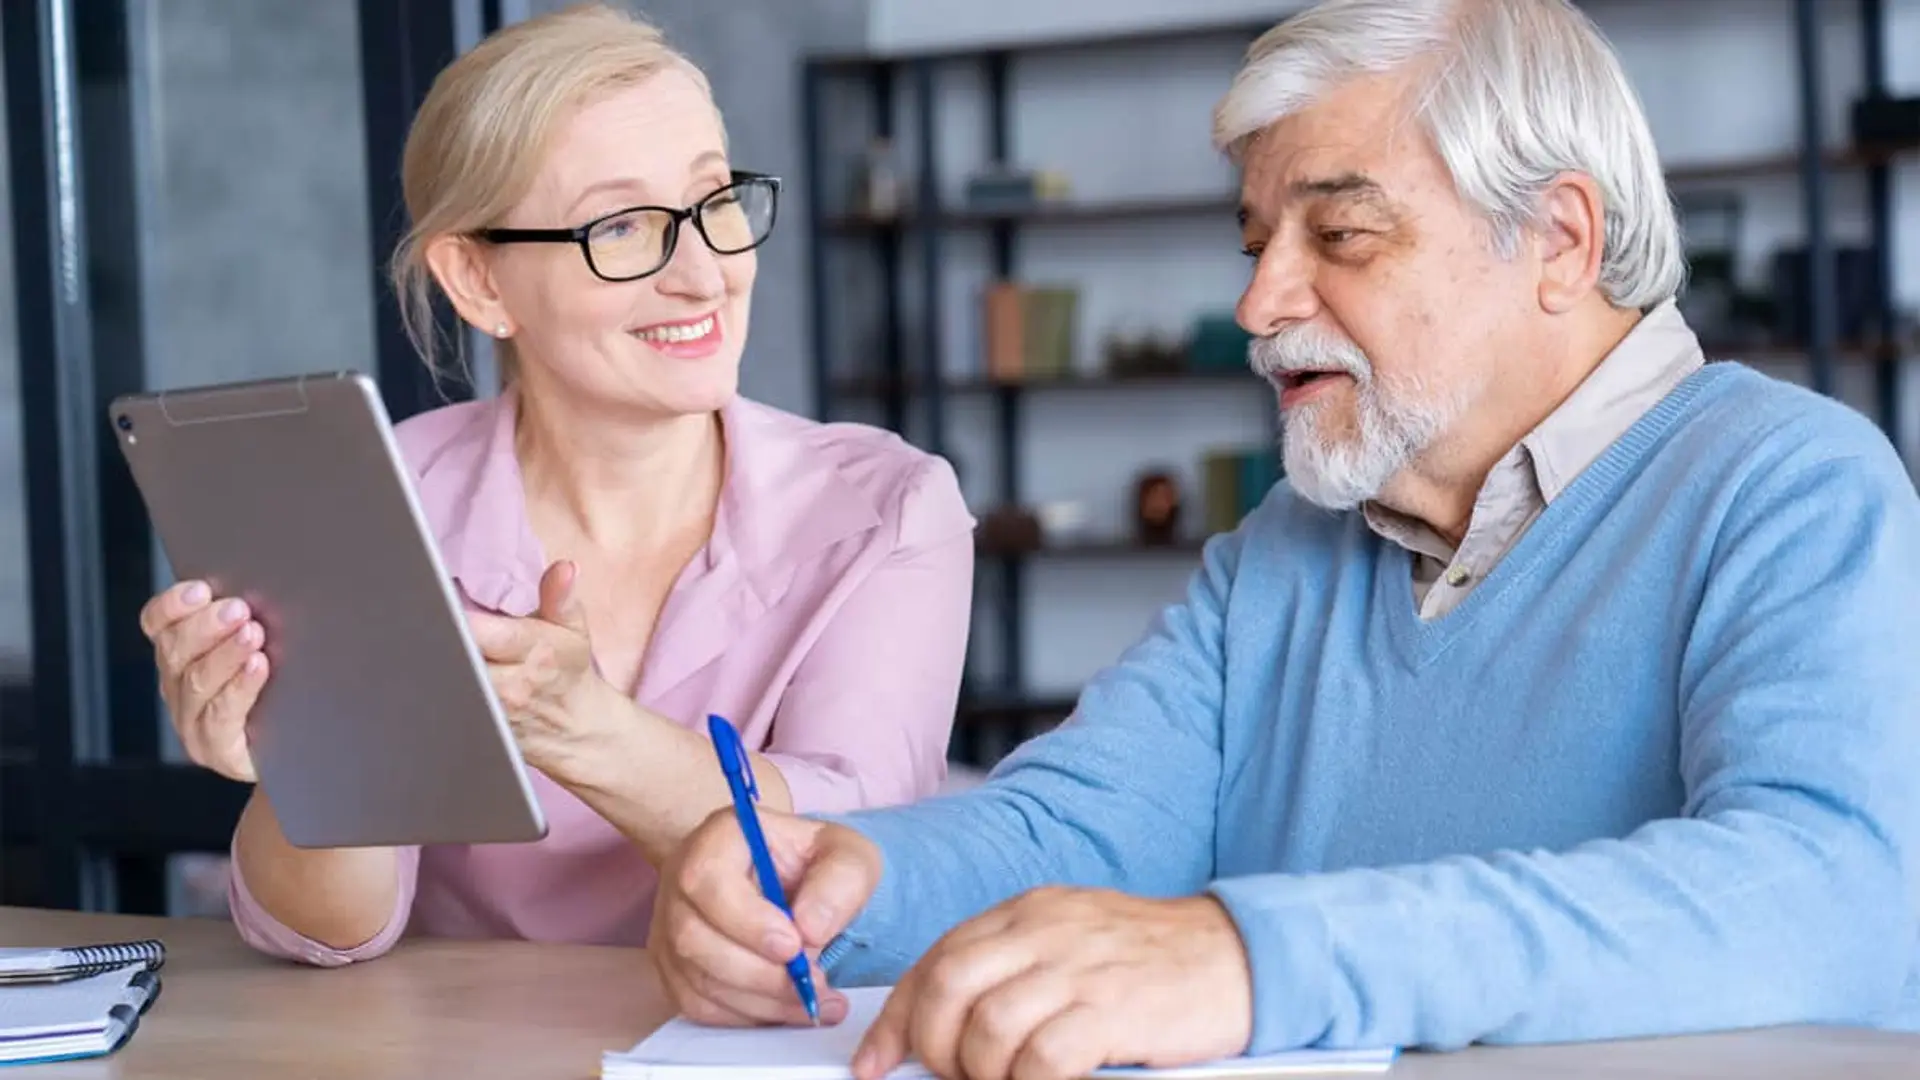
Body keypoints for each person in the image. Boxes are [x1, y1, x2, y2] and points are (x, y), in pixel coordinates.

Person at [649, 0, 1920, 1077]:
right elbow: (1081, 828)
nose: (1260, 302)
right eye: (1258, 244)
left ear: (1560, 241)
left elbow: (1830, 899)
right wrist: (844, 880)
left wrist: (1254, 960)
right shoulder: (1289, 546)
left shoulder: (1791, 488)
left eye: (1341, 235)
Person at [136, 2, 975, 967]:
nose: (704, 274)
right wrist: (308, 767)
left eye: (714, 201)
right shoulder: (380, 505)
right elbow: (331, 934)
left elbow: (854, 880)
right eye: (620, 227)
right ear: (479, 282)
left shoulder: (886, 511)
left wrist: (586, 731)